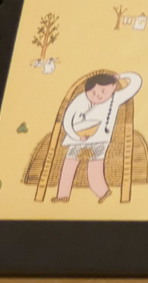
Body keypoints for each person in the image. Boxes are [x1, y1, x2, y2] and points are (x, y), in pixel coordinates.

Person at [55, 70, 142, 202]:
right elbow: (67, 120)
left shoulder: (115, 98)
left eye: (103, 91)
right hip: (78, 139)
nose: (98, 96)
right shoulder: (80, 99)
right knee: (69, 165)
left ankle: (103, 192)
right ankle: (62, 196)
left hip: (100, 140)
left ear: (113, 88)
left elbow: (136, 83)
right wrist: (76, 137)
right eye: (93, 92)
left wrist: (120, 77)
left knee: (95, 167)